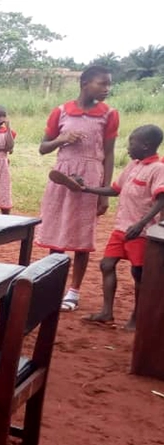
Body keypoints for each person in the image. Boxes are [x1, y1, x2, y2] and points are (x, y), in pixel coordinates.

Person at [50, 125, 164, 329]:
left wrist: (141, 224)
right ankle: (106, 312)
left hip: (141, 231)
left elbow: (161, 200)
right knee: (106, 265)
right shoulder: (133, 165)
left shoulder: (158, 169)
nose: (128, 148)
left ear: (146, 145)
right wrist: (86, 189)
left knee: (139, 273)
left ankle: (137, 318)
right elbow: (114, 189)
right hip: (121, 227)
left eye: (132, 143)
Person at [38, 65, 120, 312]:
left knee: (83, 235)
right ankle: (52, 286)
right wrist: (61, 139)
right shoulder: (61, 112)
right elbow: (43, 148)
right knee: (56, 232)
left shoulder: (109, 114)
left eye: (109, 84)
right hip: (61, 176)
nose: (107, 88)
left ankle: (73, 291)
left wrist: (104, 193)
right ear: (85, 83)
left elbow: (109, 153)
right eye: (102, 83)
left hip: (91, 177)